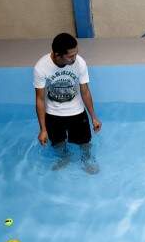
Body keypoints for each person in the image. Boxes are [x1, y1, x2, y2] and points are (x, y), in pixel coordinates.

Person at [33, 32, 102, 174]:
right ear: (58, 55)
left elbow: (85, 91)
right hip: (53, 113)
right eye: (71, 56)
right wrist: (43, 129)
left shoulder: (80, 63)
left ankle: (87, 160)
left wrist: (93, 117)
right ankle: (64, 158)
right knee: (57, 143)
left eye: (76, 54)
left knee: (85, 143)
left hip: (76, 111)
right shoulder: (41, 67)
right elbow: (40, 99)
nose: (74, 58)